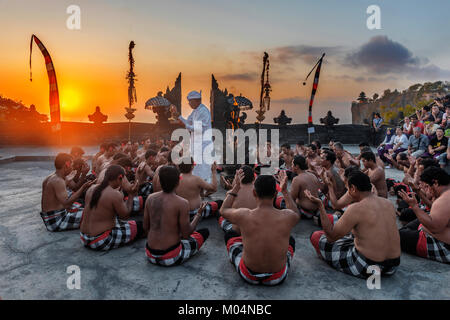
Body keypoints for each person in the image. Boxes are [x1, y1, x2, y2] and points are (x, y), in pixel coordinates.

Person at [308, 171, 401, 278]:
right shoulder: (388, 203)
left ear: (353, 188)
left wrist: (320, 206)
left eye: (348, 189)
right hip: (393, 265)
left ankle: (327, 257)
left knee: (316, 236)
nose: (348, 193)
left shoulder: (356, 208)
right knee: (353, 235)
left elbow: (330, 237)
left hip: (369, 267)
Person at [220, 171, 299, 285]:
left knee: (230, 236)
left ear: (254, 193)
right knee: (290, 241)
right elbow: (296, 213)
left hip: (248, 275)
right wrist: (285, 191)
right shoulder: (287, 216)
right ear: (276, 193)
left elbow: (223, 210)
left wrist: (236, 188)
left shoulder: (244, 215)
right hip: (277, 277)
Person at [144, 165, 209, 266]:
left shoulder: (150, 198)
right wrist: (198, 214)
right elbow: (186, 234)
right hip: (171, 256)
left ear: (160, 181)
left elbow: (145, 227)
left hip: (150, 254)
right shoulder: (182, 203)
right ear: (178, 182)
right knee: (204, 232)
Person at [80, 165, 143, 250]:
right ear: (119, 178)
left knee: (128, 224)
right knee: (141, 227)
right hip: (100, 240)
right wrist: (131, 194)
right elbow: (125, 216)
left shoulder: (91, 188)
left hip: (84, 238)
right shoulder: (114, 194)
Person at [398, 167, 450, 264]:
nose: (427, 191)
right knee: (407, 229)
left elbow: (434, 228)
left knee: (397, 236)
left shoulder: (445, 199)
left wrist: (414, 206)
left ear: (435, 183)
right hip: (441, 237)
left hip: (444, 248)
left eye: (427, 186)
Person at [40, 153, 95, 232]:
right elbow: (67, 204)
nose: (72, 167)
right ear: (67, 164)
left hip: (50, 217)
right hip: (56, 221)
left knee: (86, 207)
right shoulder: (58, 180)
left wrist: (83, 174)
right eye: (71, 164)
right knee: (94, 213)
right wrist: (83, 187)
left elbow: (75, 187)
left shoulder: (52, 177)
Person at [171, 90, 213, 182]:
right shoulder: (195, 111)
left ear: (197, 101)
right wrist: (178, 116)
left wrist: (184, 125)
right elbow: (188, 122)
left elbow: (198, 128)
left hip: (203, 144)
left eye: (190, 101)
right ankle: (197, 187)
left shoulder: (203, 111)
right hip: (196, 144)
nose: (189, 103)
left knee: (202, 168)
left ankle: (203, 187)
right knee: (195, 166)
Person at [218, 166, 257, 234]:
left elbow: (224, 211)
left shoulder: (231, 193)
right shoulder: (259, 192)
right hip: (255, 228)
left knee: (219, 214)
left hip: (237, 230)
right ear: (254, 178)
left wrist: (233, 188)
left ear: (237, 179)